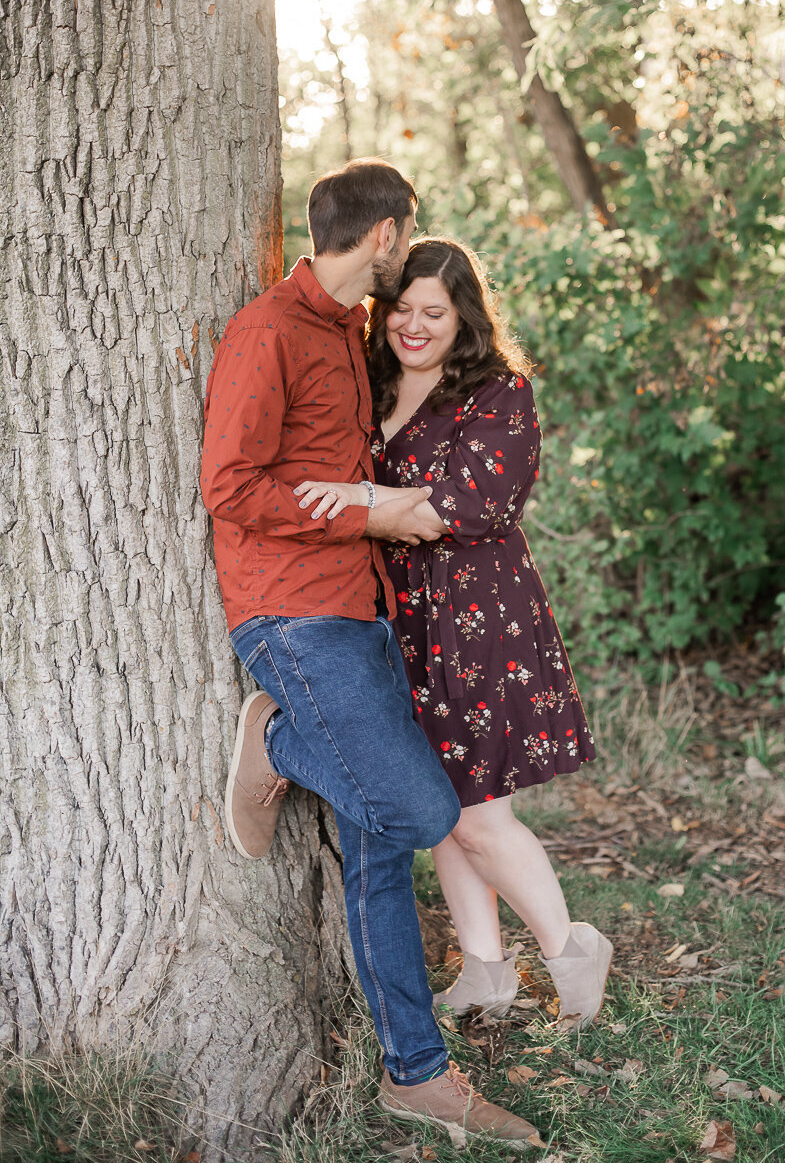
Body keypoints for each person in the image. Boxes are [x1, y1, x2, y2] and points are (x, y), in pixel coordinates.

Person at [200, 164, 543, 1147]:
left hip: (363, 609)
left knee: (381, 845)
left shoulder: (349, 332)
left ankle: (416, 1073)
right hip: (295, 617)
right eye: (411, 238)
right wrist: (369, 510)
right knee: (422, 806)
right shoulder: (269, 330)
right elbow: (229, 484)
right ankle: (278, 745)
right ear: (388, 235)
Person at [295, 237, 612, 1029]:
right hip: (397, 618)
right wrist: (396, 511)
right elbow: (416, 510)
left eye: (433, 312)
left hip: (479, 622)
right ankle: (484, 972)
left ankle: (570, 949)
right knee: (439, 804)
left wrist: (361, 500)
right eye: (400, 308)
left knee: (479, 815)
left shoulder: (498, 393)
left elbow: (467, 508)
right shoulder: (370, 383)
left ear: (462, 316)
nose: (413, 325)